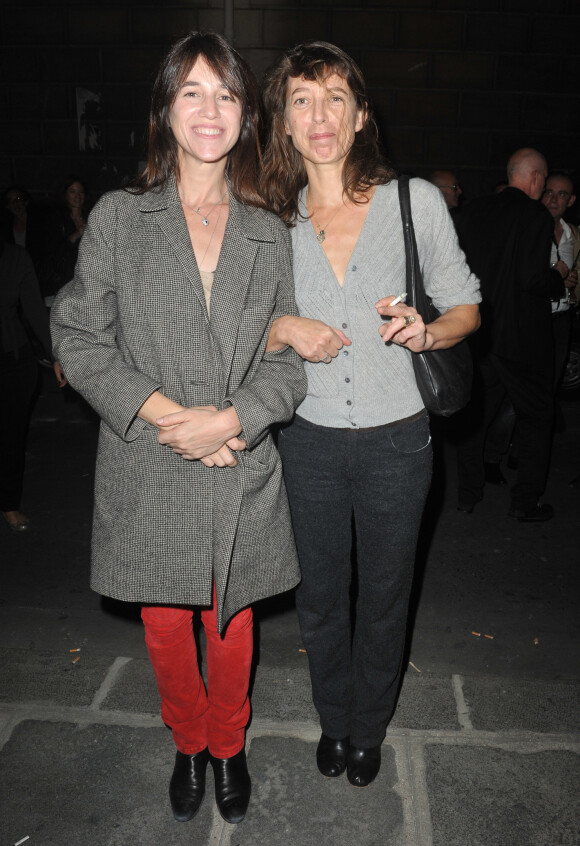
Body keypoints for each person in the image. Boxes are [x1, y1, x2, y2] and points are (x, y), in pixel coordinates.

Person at [51, 31, 306, 826]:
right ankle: (188, 740)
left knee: (231, 626)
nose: (210, 109)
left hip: (238, 458)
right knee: (168, 629)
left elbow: (289, 357)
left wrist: (232, 419)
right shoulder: (120, 219)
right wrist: (171, 419)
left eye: (226, 94)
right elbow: (78, 338)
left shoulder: (270, 230)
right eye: (192, 91)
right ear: (165, 108)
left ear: (244, 117)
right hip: (149, 459)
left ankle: (228, 746)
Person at [262, 41, 480, 788]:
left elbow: (467, 307)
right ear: (285, 122)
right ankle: (334, 717)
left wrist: (429, 328)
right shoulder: (268, 219)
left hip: (398, 441)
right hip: (310, 442)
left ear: (359, 117)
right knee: (321, 598)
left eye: (333, 99)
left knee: (385, 596)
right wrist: (285, 328)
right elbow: (241, 323)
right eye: (301, 99)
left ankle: (368, 728)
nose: (318, 115)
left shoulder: (412, 202)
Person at [454, 148, 568, 522]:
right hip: (522, 340)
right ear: (534, 178)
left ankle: (467, 494)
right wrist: (558, 276)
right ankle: (525, 501)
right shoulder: (533, 214)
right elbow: (530, 278)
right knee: (537, 417)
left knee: (476, 416)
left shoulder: (470, 213)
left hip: (479, 334)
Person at [0, 236, 66, 531]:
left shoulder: (14, 257)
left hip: (12, 362)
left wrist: (56, 354)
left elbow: (35, 310)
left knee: (11, 437)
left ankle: (9, 504)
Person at [541, 172, 578, 391]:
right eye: (549, 192)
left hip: (563, 317)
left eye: (561, 194)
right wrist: (555, 279)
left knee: (552, 381)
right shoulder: (528, 231)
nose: (553, 200)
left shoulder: (572, 234)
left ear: (571, 201)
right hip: (534, 316)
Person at [43, 176, 90, 305]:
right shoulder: (55, 220)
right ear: (65, 195)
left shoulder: (92, 217)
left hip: (87, 282)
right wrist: (75, 235)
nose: (77, 195)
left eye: (81, 192)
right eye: (72, 191)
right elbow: (52, 253)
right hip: (62, 282)